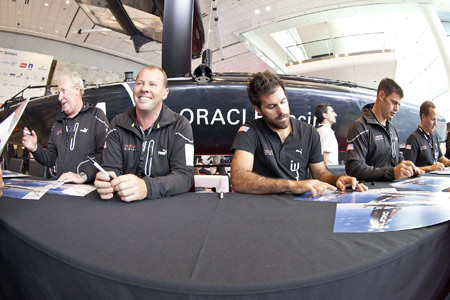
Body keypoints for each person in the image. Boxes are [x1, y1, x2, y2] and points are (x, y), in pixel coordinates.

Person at [230, 71, 367, 197]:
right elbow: (238, 179)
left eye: (283, 102)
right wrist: (291, 185)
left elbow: (320, 173)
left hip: (299, 208)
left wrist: (337, 179)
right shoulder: (249, 133)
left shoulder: (309, 132)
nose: (281, 111)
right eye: (271, 106)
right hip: (262, 209)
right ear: (258, 109)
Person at [94, 66, 194, 202]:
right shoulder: (117, 124)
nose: (144, 89)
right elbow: (111, 169)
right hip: (123, 208)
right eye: (139, 83)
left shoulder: (180, 125)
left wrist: (147, 187)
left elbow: (185, 177)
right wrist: (106, 181)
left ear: (165, 93)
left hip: (164, 209)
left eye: (152, 84)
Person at [21, 72, 109, 183]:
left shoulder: (96, 116)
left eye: (63, 91)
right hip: (62, 188)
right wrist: (35, 148)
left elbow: (106, 154)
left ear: (77, 90)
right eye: (58, 93)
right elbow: (50, 159)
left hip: (88, 191)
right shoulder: (59, 122)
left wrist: (83, 176)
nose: (59, 97)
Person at [345, 78, 423, 181]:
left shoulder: (392, 129)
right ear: (381, 96)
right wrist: (392, 172)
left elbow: (396, 159)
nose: (397, 108)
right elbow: (354, 168)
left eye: (398, 104)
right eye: (394, 102)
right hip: (370, 192)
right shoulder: (360, 127)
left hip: (393, 190)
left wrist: (409, 168)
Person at [404, 101, 450, 171]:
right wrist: (430, 168)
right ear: (423, 117)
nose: (435, 123)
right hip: (422, 180)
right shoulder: (413, 139)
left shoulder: (434, 137)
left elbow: (441, 158)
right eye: (433, 119)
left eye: (436, 119)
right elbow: (408, 168)